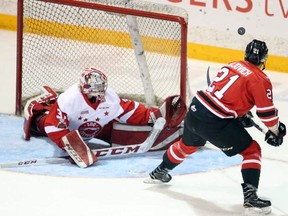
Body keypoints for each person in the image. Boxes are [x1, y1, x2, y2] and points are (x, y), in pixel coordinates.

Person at [145, 39, 286, 215]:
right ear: (264, 59)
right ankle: (251, 199)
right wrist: (276, 131)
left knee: (186, 145)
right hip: (216, 120)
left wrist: (240, 115)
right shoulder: (260, 79)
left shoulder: (231, 66)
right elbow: (266, 114)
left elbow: (223, 96)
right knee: (252, 151)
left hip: (197, 110)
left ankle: (160, 171)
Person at [23, 67, 186, 168]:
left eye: (102, 88)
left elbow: (129, 110)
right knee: (44, 123)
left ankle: (176, 136)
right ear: (85, 88)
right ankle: (39, 115)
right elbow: (55, 127)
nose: (100, 92)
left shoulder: (110, 98)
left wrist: (153, 116)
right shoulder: (69, 100)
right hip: (70, 130)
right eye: (96, 89)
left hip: (98, 128)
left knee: (127, 134)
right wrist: (71, 146)